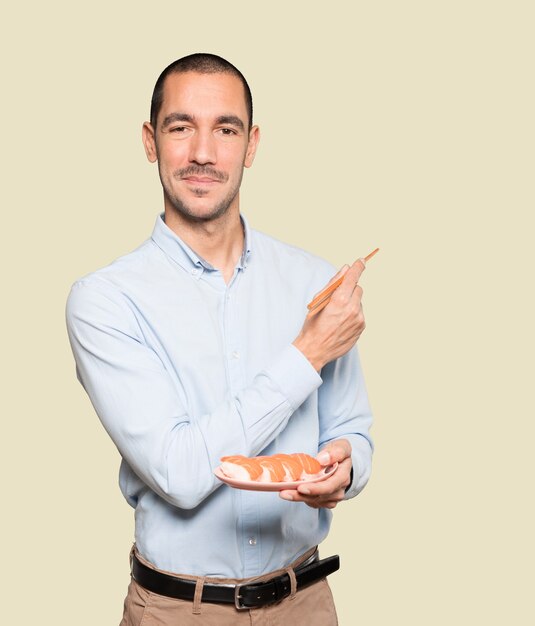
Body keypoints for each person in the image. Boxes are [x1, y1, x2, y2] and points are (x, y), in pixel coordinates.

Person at [66, 53, 373, 625]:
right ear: (149, 141)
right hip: (177, 610)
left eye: (225, 129)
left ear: (251, 145)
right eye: (181, 127)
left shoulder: (314, 283)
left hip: (305, 604)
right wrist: (306, 354)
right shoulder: (105, 301)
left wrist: (346, 470)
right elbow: (180, 475)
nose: (203, 153)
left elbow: (353, 430)